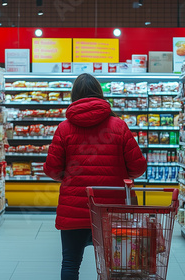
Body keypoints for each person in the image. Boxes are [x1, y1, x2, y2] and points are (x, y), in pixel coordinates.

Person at [43, 73, 147, 280]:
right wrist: (121, 172)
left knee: (70, 263)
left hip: (74, 208)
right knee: (114, 264)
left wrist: (69, 176)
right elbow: (138, 167)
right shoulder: (118, 126)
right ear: (100, 94)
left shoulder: (64, 129)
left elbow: (53, 170)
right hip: (111, 210)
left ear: (74, 96)